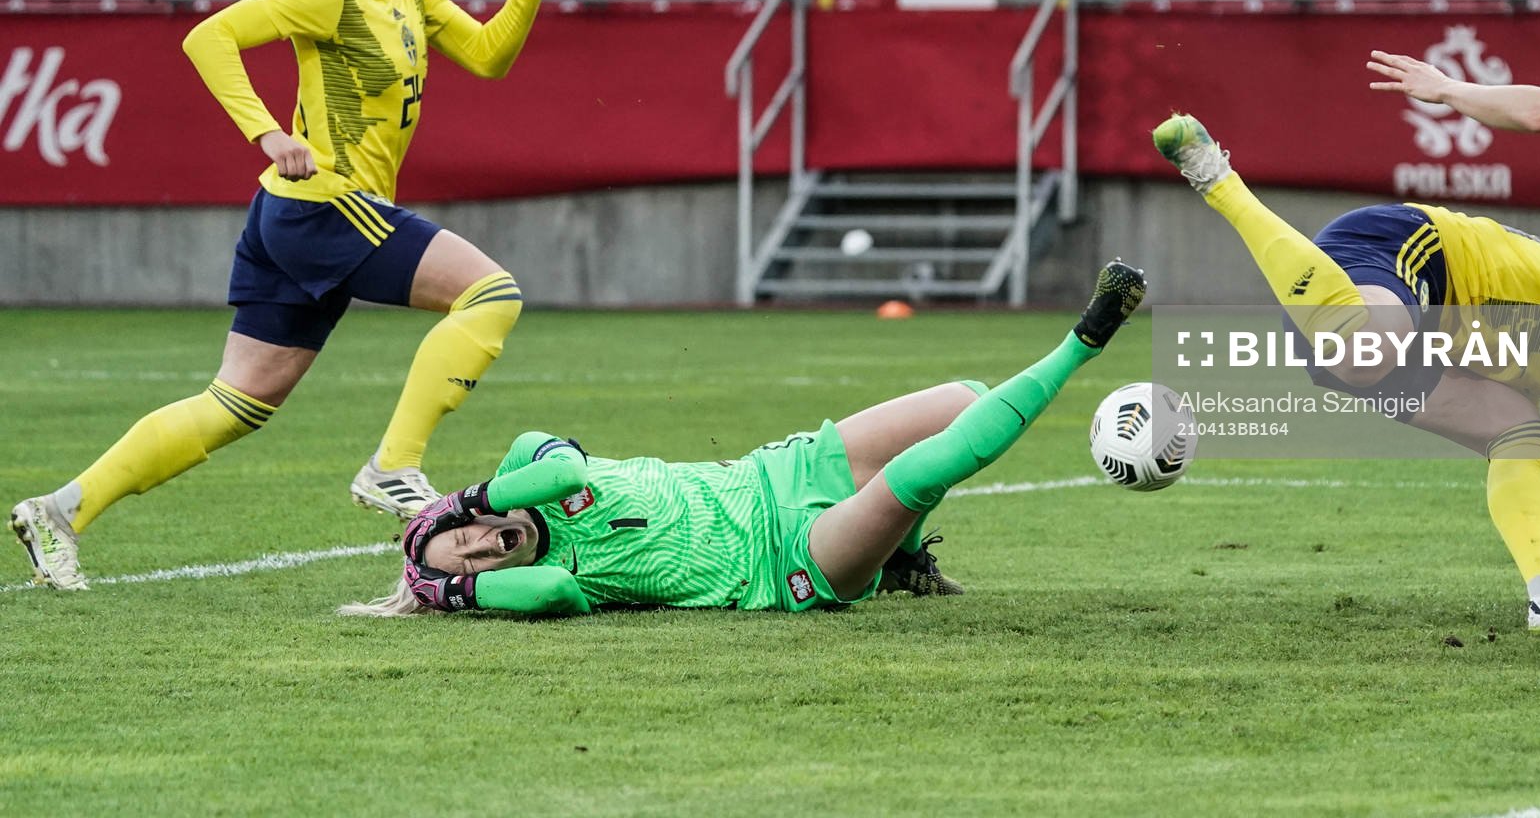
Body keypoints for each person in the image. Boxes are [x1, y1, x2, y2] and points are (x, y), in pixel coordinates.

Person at [9, 0, 561, 592]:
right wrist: (267, 132)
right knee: (491, 293)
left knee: (234, 404)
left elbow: (488, 56)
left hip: (292, 218)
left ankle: (58, 511)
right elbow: (208, 40)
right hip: (325, 207)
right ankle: (393, 466)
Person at [1151, 112, 1540, 631]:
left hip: (1407, 334)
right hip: (1415, 254)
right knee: (1363, 350)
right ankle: (1218, 180)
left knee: (1520, 433)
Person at [340, 260, 1146, 617]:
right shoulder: (557, 576)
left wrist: (472, 497)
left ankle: (903, 561)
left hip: (779, 471)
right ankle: (1089, 335)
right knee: (915, 478)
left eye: (466, 538)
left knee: (964, 399)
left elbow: (556, 468)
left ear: (460, 512)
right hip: (786, 559)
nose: (485, 548)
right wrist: (448, 591)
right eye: (474, 566)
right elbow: (547, 593)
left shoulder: (527, 474)